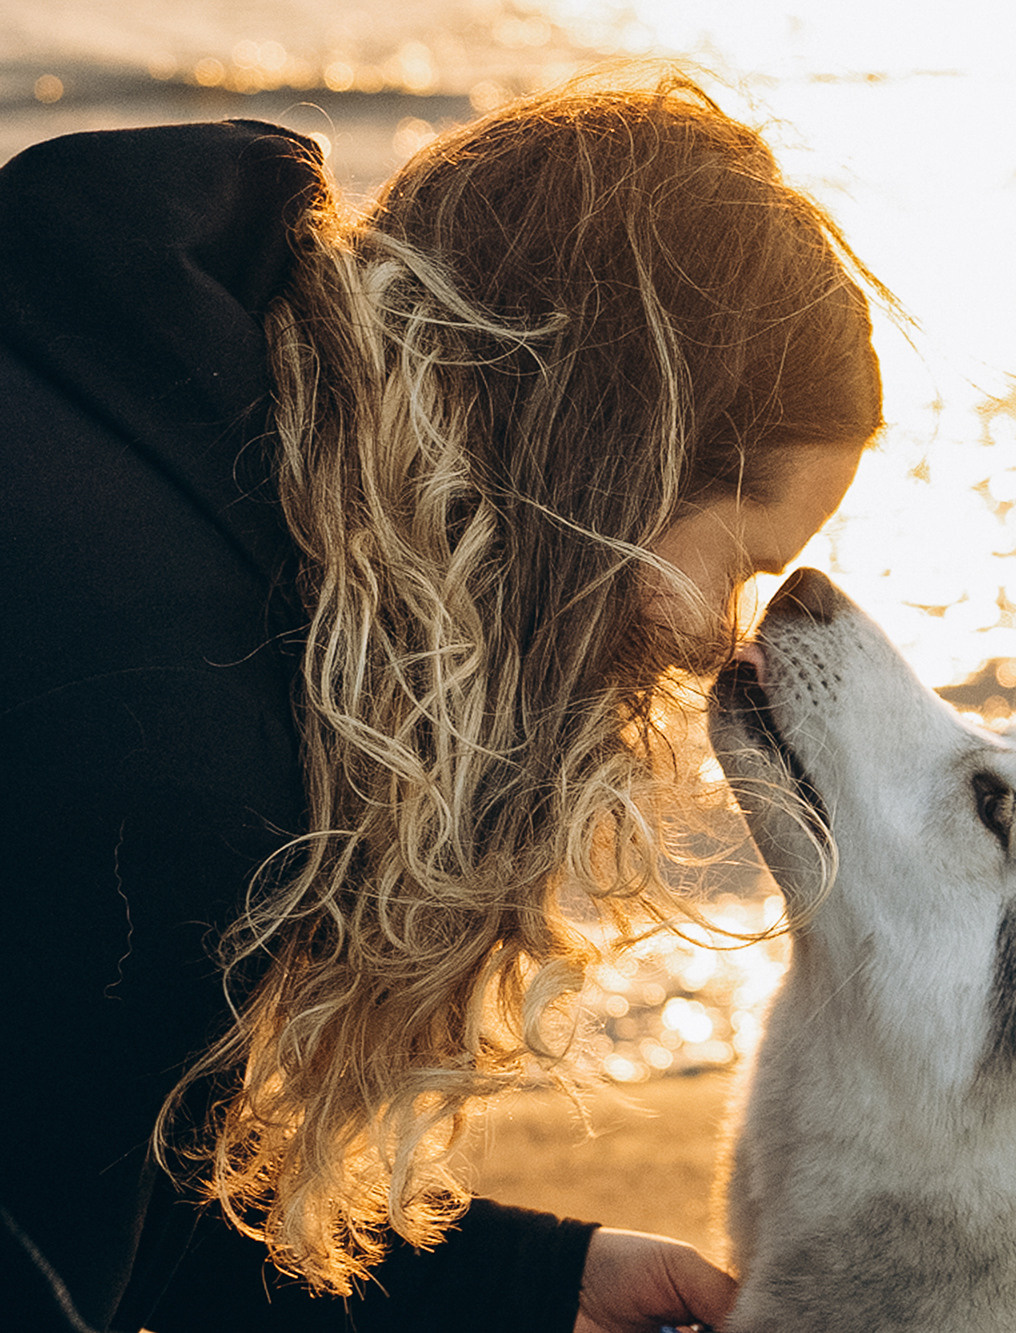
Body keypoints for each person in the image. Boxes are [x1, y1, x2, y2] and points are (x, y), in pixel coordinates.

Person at [0, 70, 883, 1332]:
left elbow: (83, 1198)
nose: (711, 647)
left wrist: (525, 1286)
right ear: (611, 453)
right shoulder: (172, 734)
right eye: (738, 564)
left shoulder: (125, 396)